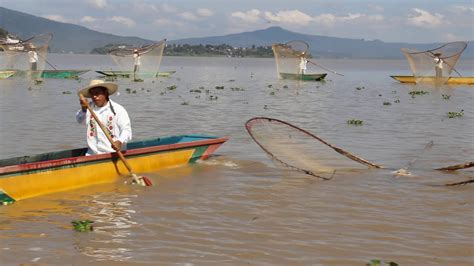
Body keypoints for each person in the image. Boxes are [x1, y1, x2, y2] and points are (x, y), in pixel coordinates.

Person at [76, 79, 132, 155]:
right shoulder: (89, 108)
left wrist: (119, 142)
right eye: (92, 94)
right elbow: (81, 121)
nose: (94, 96)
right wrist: (83, 108)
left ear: (105, 93)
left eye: (97, 93)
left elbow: (126, 130)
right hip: (92, 154)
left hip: (113, 153)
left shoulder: (118, 110)